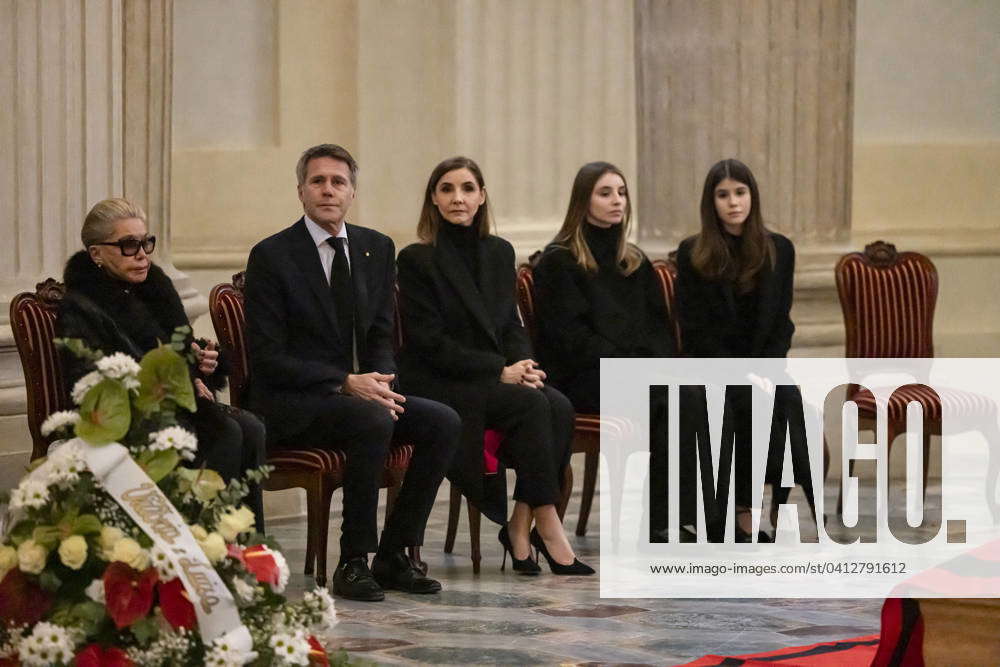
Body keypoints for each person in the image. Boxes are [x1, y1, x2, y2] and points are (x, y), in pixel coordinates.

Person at [243, 144, 461, 601]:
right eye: (318, 181)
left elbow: (382, 332)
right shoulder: (272, 255)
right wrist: (343, 383)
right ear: (301, 191)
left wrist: (381, 381)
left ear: (352, 192)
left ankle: (394, 553)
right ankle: (353, 561)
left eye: (338, 182)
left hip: (360, 394)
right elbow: (267, 356)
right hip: (294, 399)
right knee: (372, 420)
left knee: (443, 421)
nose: (328, 190)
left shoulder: (375, 248)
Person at [396, 156, 594, 576]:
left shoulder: (499, 252)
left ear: (482, 197)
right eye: (447, 189)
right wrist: (498, 371)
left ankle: (520, 525)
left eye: (467, 189)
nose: (458, 198)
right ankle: (548, 525)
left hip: (493, 377)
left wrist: (524, 364)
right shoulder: (417, 259)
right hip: (443, 380)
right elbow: (429, 342)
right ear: (433, 199)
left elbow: (509, 322)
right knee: (532, 406)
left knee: (556, 403)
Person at [57, 197, 266, 532]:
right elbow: (90, 381)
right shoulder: (81, 307)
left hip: (176, 404)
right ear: (96, 254)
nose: (142, 254)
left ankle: (248, 546)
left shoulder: (157, 288)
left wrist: (204, 364)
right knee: (225, 432)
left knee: (252, 428)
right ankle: (205, 545)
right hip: (126, 416)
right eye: (128, 245)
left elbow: (181, 353)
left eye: (145, 243)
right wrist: (178, 381)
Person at [532, 161, 676, 542]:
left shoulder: (635, 261)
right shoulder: (559, 260)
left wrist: (654, 367)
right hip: (584, 378)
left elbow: (659, 330)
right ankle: (656, 524)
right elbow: (571, 339)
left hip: (635, 374)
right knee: (667, 402)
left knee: (692, 396)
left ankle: (679, 516)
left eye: (622, 192)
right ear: (584, 200)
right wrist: (632, 368)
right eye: (605, 193)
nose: (617, 201)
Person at [674, 158, 796, 542]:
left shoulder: (779, 249)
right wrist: (742, 373)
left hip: (764, 364)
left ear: (752, 197)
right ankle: (743, 514)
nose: (733, 202)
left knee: (793, 408)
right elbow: (695, 328)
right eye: (723, 195)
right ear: (711, 203)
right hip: (714, 366)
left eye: (740, 193)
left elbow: (782, 321)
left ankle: (780, 501)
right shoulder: (693, 252)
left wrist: (768, 367)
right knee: (746, 404)